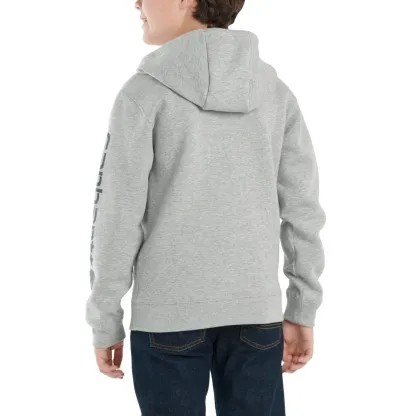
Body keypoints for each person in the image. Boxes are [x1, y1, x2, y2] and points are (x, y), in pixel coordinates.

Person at [85, 0, 326, 414]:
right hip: (256, 314)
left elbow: (117, 218)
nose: (137, 2)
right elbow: (302, 208)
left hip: (167, 318)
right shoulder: (275, 94)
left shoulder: (143, 95)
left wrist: (105, 318)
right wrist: (302, 307)